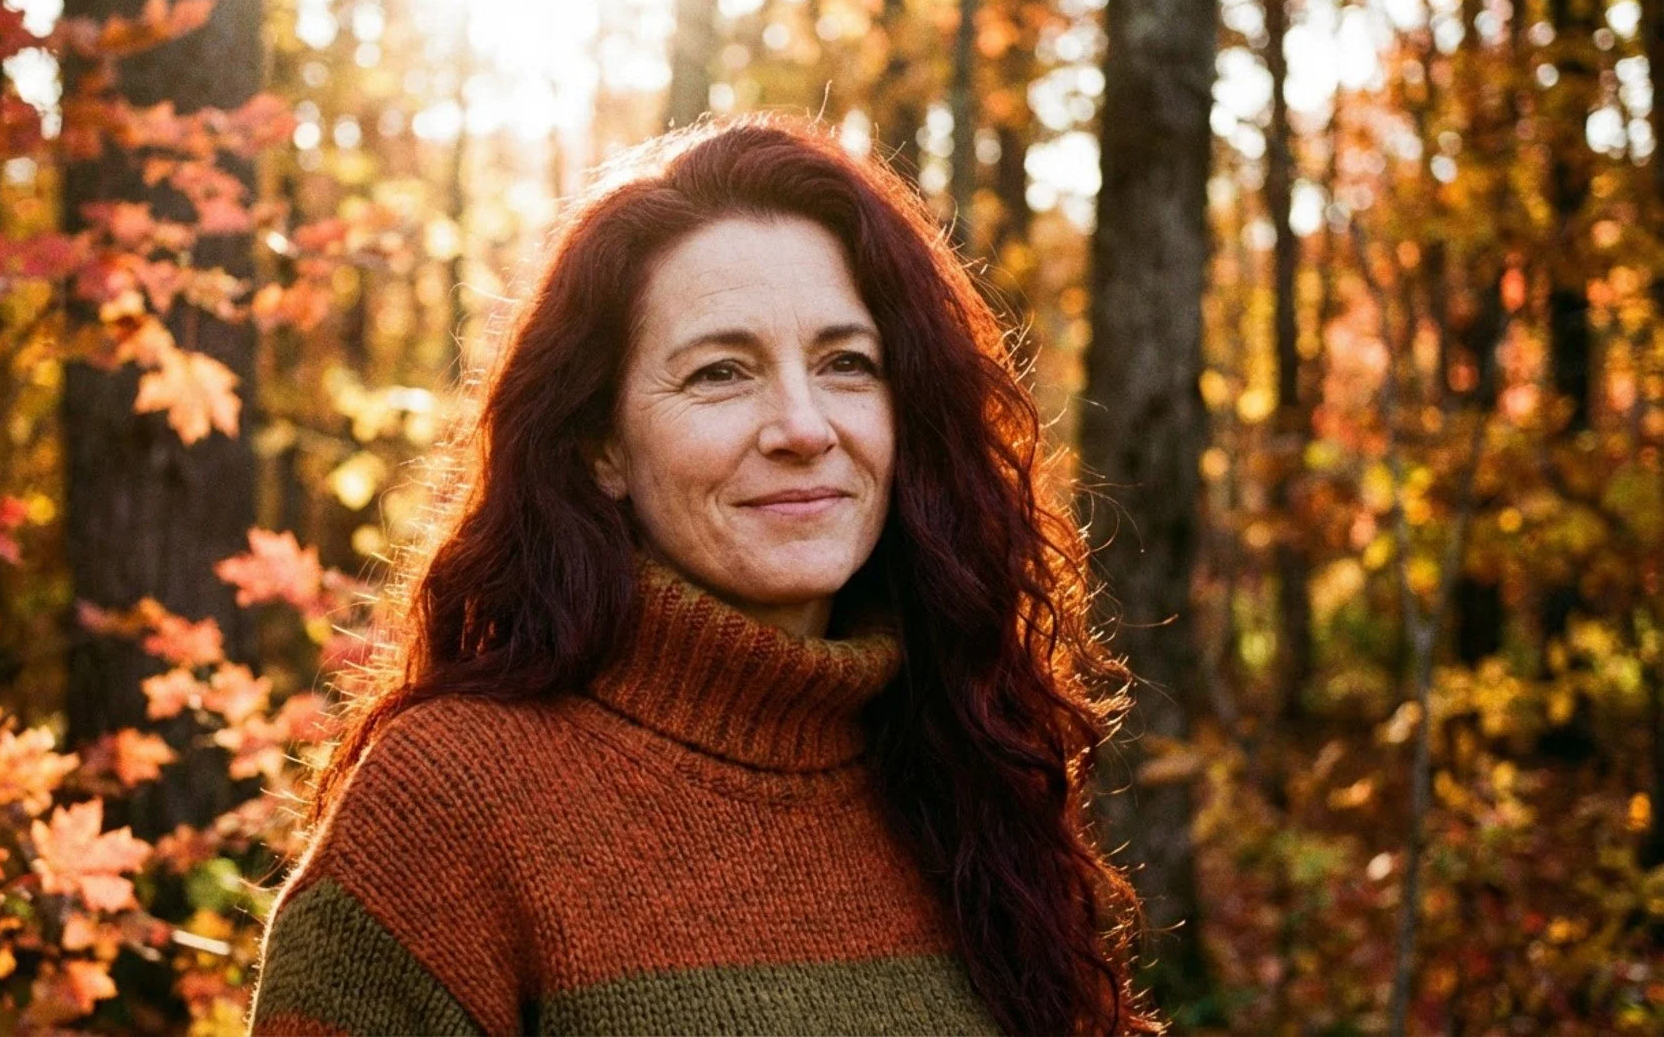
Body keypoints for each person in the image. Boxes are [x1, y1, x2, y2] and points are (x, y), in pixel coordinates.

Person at [245, 113, 1158, 1036]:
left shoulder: (964, 767)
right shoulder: (450, 802)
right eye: (721, 372)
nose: (803, 427)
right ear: (601, 443)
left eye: (847, 363)